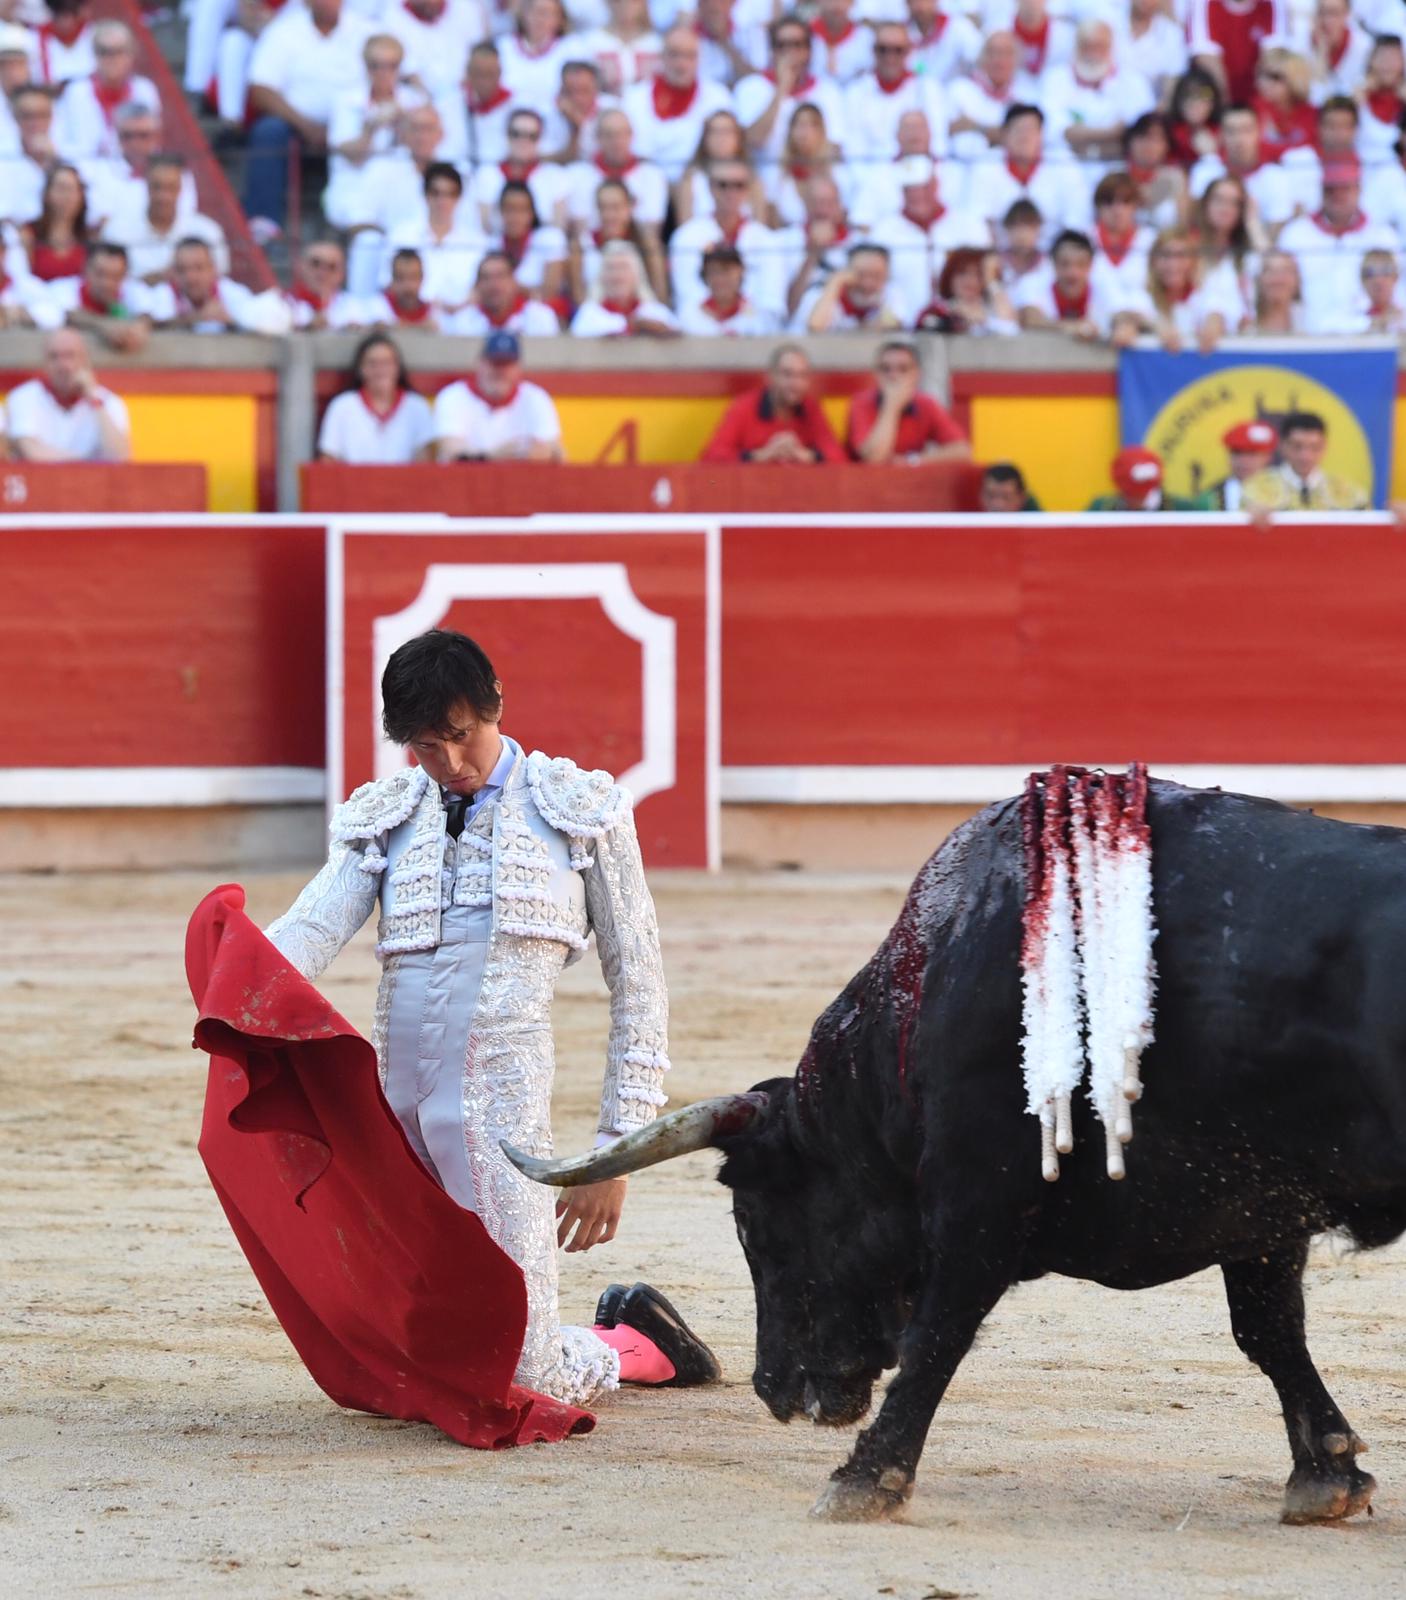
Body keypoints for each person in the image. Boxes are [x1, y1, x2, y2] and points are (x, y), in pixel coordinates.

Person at [263, 627, 719, 1407]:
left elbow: (639, 983)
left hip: (505, 1131)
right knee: (400, 1359)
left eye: (460, 737)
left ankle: (634, 1342)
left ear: (495, 706)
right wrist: (234, 971)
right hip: (395, 1131)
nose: (449, 764)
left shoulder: (579, 812)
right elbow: (307, 933)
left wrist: (614, 1157)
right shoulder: (387, 816)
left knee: (526, 1374)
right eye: (424, 747)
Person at [244, 0, 373, 240]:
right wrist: (307, 126)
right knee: (268, 131)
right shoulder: (283, 30)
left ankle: (366, 220)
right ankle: (264, 224)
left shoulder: (367, 31)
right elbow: (261, 89)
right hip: (299, 128)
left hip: (356, 130)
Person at [700, 342, 846, 464]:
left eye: (803, 375)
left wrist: (805, 455)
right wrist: (761, 455)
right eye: (788, 374)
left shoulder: (811, 407)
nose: (796, 383)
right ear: (770, 376)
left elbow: (839, 458)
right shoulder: (744, 406)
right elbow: (711, 457)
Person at [433, 330, 565, 462]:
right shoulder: (453, 397)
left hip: (521, 481)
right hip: (463, 481)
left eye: (507, 364)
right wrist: (495, 456)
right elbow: (451, 450)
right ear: (480, 363)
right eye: (495, 363)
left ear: (518, 367)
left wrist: (542, 452)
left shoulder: (536, 398)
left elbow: (558, 452)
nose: (500, 371)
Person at [5, 326, 130, 460]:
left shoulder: (109, 401)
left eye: (70, 356)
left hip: (94, 481)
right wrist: (88, 466)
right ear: (45, 362)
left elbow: (119, 457)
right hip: (41, 480)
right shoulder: (24, 397)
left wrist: (94, 400)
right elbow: (30, 450)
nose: (63, 365)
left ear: (85, 360)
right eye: (54, 357)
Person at [317, 331, 435, 463]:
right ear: (360, 368)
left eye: (386, 362)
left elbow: (425, 464)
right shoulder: (342, 406)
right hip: (352, 483)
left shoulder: (417, 406)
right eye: (372, 363)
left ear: (397, 367)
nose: (380, 370)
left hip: (405, 483)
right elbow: (328, 461)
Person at [846, 340, 970, 465]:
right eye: (885, 369)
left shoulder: (925, 404)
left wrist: (913, 460)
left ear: (916, 373)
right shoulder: (861, 402)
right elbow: (874, 458)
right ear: (876, 373)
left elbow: (962, 451)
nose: (893, 375)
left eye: (903, 369)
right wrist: (891, 406)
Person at [52, 20, 159, 162]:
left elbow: (151, 143)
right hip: (85, 172)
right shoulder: (75, 91)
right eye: (104, 52)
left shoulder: (145, 90)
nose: (112, 59)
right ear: (94, 55)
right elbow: (60, 142)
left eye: (119, 52)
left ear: (131, 54)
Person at [1241, 410, 1369, 511]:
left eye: (1314, 447)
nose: (1305, 456)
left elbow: (1368, 528)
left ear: (1324, 447)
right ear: (1282, 446)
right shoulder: (1256, 489)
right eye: (1297, 446)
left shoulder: (1347, 490)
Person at [568, 240, 680, 337]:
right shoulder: (589, 314)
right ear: (602, 276)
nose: (617, 276)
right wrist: (632, 326)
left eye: (623, 267)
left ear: (636, 274)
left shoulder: (657, 312)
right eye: (611, 268)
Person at [445, 248, 561, 336]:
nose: (494, 285)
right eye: (486, 278)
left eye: (500, 276)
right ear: (478, 285)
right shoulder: (463, 320)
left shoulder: (541, 316)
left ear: (513, 282)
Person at [802, 241, 905, 332]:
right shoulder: (829, 292)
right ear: (847, 271)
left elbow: (894, 327)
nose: (867, 283)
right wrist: (835, 282)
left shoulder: (892, 292)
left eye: (876, 275)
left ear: (887, 274)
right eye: (861, 274)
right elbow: (815, 328)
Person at [677, 242, 776, 334]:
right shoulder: (689, 315)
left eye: (727, 271)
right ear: (705, 275)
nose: (720, 278)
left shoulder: (759, 316)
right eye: (714, 271)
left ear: (741, 271)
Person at [1194, 418, 1277, 510]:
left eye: (1251, 453)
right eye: (1237, 452)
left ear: (1267, 457)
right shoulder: (1210, 495)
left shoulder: (1284, 491)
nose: (1244, 460)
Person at [1087, 445, 1198, 511]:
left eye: (1143, 495)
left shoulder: (1181, 509)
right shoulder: (1102, 508)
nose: (1138, 501)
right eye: (1131, 495)